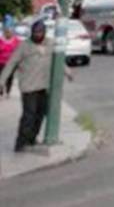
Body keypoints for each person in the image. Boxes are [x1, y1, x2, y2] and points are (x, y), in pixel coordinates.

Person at [0, 20, 71, 152]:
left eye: (40, 32)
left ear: (44, 32)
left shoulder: (50, 43)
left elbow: (58, 60)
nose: (37, 35)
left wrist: (67, 72)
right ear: (31, 32)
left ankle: (32, 139)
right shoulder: (24, 46)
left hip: (44, 86)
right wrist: (2, 81)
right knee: (29, 115)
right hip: (29, 87)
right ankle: (21, 143)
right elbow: (11, 63)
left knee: (40, 114)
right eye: (35, 32)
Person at [0, 20, 21, 96]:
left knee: (9, 77)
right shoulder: (0, 40)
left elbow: (20, 51)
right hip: (1, 62)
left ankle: (8, 90)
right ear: (4, 32)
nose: (8, 33)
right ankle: (1, 89)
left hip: (11, 63)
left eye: (9, 31)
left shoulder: (16, 40)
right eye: (6, 31)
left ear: (12, 32)